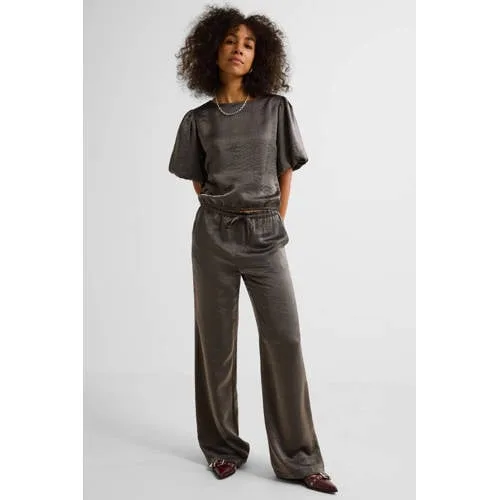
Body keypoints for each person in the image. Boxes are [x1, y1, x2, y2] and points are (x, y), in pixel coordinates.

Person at [168, 5, 338, 495]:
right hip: (213, 237)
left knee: (284, 341)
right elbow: (197, 179)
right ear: (212, 50)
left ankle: (300, 460)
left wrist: (273, 219)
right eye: (230, 41)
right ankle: (222, 449)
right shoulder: (197, 120)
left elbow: (285, 169)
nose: (239, 50)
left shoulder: (276, 109)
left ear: (259, 55)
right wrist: (222, 212)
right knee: (216, 346)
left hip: (265, 234)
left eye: (248, 43)